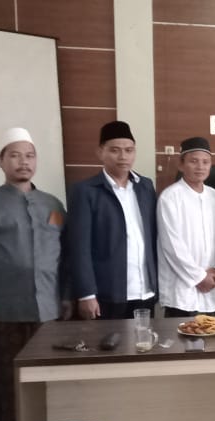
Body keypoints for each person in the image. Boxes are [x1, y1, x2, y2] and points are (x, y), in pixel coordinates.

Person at [0, 127, 69, 421]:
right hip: (5, 310)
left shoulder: (53, 205)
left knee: (49, 375)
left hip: (48, 309)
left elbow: (65, 255)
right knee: (7, 376)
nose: (24, 162)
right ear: (1, 160)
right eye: (15, 155)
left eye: (30, 156)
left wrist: (66, 295)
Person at [67, 121, 158, 320]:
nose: (123, 156)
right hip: (107, 294)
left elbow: (153, 236)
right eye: (115, 150)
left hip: (145, 291)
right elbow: (79, 247)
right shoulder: (86, 191)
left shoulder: (145, 186)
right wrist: (86, 294)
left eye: (129, 150)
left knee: (144, 339)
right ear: (100, 152)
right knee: (109, 341)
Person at [157, 137, 215, 317]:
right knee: (180, 335)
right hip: (180, 290)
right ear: (181, 164)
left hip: (210, 287)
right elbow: (171, 245)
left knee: (212, 334)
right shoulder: (170, 197)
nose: (200, 167)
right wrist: (199, 277)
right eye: (193, 161)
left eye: (205, 162)